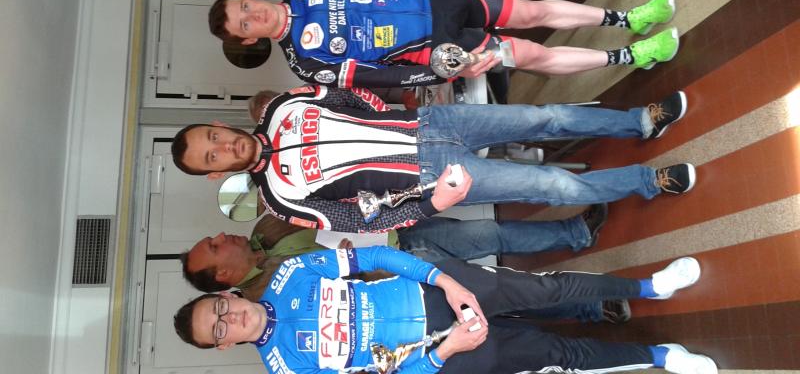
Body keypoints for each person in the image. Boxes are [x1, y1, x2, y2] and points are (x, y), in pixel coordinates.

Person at [170, 85, 696, 233]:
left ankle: (639, 121)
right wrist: (428, 205)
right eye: (212, 155)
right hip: (431, 177)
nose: (224, 145)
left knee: (546, 117)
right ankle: (649, 180)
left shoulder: (283, 107)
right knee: (549, 186)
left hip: (433, 123)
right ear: (215, 173)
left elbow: (346, 95)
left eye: (214, 135)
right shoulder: (281, 199)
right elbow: (359, 220)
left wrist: (395, 112)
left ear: (219, 124)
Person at [173, 246, 717, 374]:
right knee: (557, 354)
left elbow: (376, 256)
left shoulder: (291, 273)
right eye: (217, 330)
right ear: (223, 345)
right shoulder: (287, 368)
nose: (228, 318)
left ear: (230, 294)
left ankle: (651, 287)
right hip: (444, 357)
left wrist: (446, 281)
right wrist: (443, 353)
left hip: (434, 292)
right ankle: (660, 355)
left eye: (219, 307)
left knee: (548, 292)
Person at [208, 0, 678, 87]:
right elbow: (382, 77)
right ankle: (631, 55)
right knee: (533, 55)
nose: (254, 14)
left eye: (246, 4)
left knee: (532, 12)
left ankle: (628, 18)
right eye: (245, 22)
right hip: (438, 47)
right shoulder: (306, 61)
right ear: (248, 38)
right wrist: (444, 71)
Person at [180, 203, 630, 324]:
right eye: (214, 247)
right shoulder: (263, 297)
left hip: (399, 234)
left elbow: (321, 207)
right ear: (222, 276)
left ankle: (575, 232)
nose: (222, 236)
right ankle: (591, 309)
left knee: (490, 234)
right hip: (399, 279)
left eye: (213, 238)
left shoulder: (265, 225)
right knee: (500, 297)